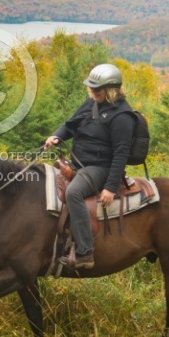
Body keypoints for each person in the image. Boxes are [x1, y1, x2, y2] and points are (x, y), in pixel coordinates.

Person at [44, 63, 135, 270]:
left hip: (100, 167)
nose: (92, 92)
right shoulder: (91, 103)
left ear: (112, 90)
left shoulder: (122, 116)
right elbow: (70, 125)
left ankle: (85, 252)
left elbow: (121, 154)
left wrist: (110, 187)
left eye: (97, 89)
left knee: (73, 193)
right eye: (91, 88)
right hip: (77, 162)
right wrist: (57, 136)